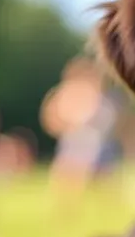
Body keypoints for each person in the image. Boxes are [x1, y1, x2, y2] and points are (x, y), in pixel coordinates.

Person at [40, 56, 125, 206]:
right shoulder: (66, 96)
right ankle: (68, 206)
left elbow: (112, 123)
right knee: (69, 178)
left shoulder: (102, 100)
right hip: (75, 145)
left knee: (101, 181)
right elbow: (51, 119)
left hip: (97, 146)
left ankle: (104, 203)